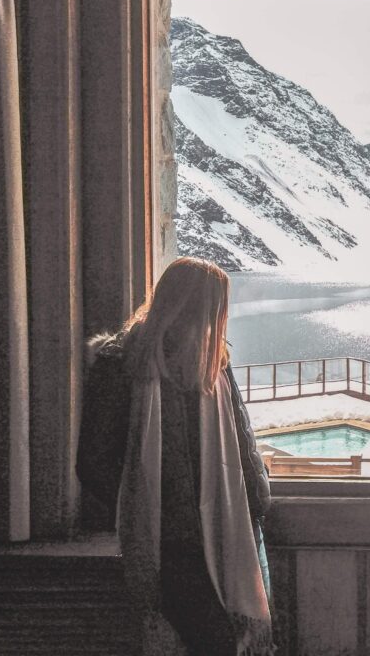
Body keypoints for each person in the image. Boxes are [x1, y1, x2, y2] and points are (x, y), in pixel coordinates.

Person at [77, 257, 274, 655]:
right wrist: (139, 501)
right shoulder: (124, 367)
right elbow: (95, 461)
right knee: (219, 641)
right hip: (172, 538)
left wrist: (253, 497)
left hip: (206, 528)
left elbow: (239, 436)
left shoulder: (210, 363)